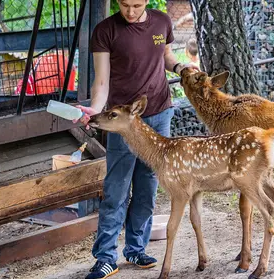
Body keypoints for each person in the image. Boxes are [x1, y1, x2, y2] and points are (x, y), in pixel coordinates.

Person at [73, 1, 198, 278]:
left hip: (158, 114)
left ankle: (136, 248)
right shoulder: (106, 30)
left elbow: (164, 57)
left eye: (137, 5)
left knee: (148, 185)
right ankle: (106, 257)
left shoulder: (162, 22)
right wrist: (96, 109)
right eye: (125, 5)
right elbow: (102, 81)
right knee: (117, 189)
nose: (130, 11)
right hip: (123, 122)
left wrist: (179, 67)